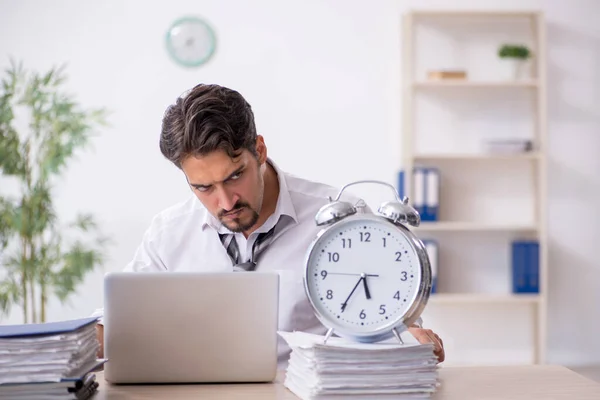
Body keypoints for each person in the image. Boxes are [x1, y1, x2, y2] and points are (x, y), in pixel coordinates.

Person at [93, 83, 445, 364]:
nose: (225, 202)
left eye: (234, 177)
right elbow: (117, 317)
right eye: (203, 187)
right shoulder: (169, 233)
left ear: (259, 150)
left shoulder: (346, 218)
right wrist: (83, 343)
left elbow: (388, 320)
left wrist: (407, 337)